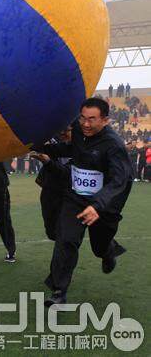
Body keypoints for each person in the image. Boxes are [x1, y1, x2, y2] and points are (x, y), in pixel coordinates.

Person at [34, 98, 133, 306]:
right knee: (66, 240)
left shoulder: (114, 145)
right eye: (83, 118)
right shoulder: (79, 132)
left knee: (99, 246)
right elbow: (71, 150)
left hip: (102, 206)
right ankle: (59, 291)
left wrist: (98, 205)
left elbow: (120, 181)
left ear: (105, 120)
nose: (86, 124)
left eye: (92, 120)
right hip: (76, 198)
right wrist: (42, 149)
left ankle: (109, 251)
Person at [31, 127, 72, 241]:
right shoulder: (53, 141)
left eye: (67, 130)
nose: (63, 133)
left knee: (64, 233)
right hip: (49, 191)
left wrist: (48, 162)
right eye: (61, 130)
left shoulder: (82, 148)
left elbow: (66, 172)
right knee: (51, 232)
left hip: (68, 193)